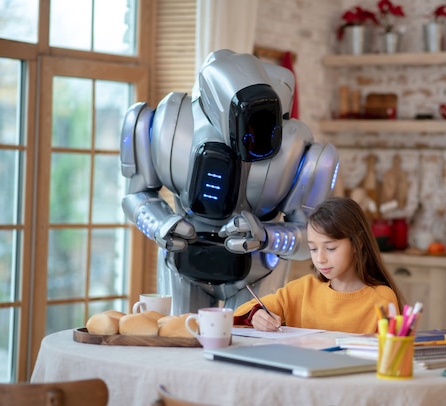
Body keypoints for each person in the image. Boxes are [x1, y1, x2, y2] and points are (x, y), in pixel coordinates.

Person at [120, 49, 339, 313]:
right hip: (183, 262)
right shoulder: (166, 124)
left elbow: (311, 241)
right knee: (179, 344)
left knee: (249, 350)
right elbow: (135, 197)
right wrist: (160, 224)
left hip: (257, 271)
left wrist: (267, 237)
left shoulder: (300, 152)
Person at [234, 197, 406, 334]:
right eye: (313, 249)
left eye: (330, 248)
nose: (320, 259)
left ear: (357, 243)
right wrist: (255, 315)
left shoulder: (382, 299)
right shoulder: (301, 290)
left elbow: (390, 354)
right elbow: (239, 313)